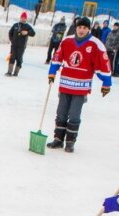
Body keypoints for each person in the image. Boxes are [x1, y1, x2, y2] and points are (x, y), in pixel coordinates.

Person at [46, 16, 111, 153]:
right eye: (79, 27)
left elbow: (103, 64)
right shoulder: (67, 40)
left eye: (84, 28)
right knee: (61, 113)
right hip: (66, 83)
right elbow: (58, 57)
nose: (81, 30)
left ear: (89, 29)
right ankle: (58, 139)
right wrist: (52, 71)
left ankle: (70, 142)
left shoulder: (96, 44)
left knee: (74, 115)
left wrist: (106, 82)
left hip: (81, 87)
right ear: (76, 28)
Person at [6, 12, 35, 76]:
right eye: (22, 18)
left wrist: (27, 32)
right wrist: (12, 40)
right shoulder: (15, 25)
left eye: (24, 18)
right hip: (14, 45)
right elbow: (10, 33)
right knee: (12, 58)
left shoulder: (27, 26)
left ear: (26, 19)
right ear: (20, 18)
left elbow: (33, 33)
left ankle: (16, 73)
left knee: (19, 59)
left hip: (22, 46)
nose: (23, 19)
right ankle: (9, 72)